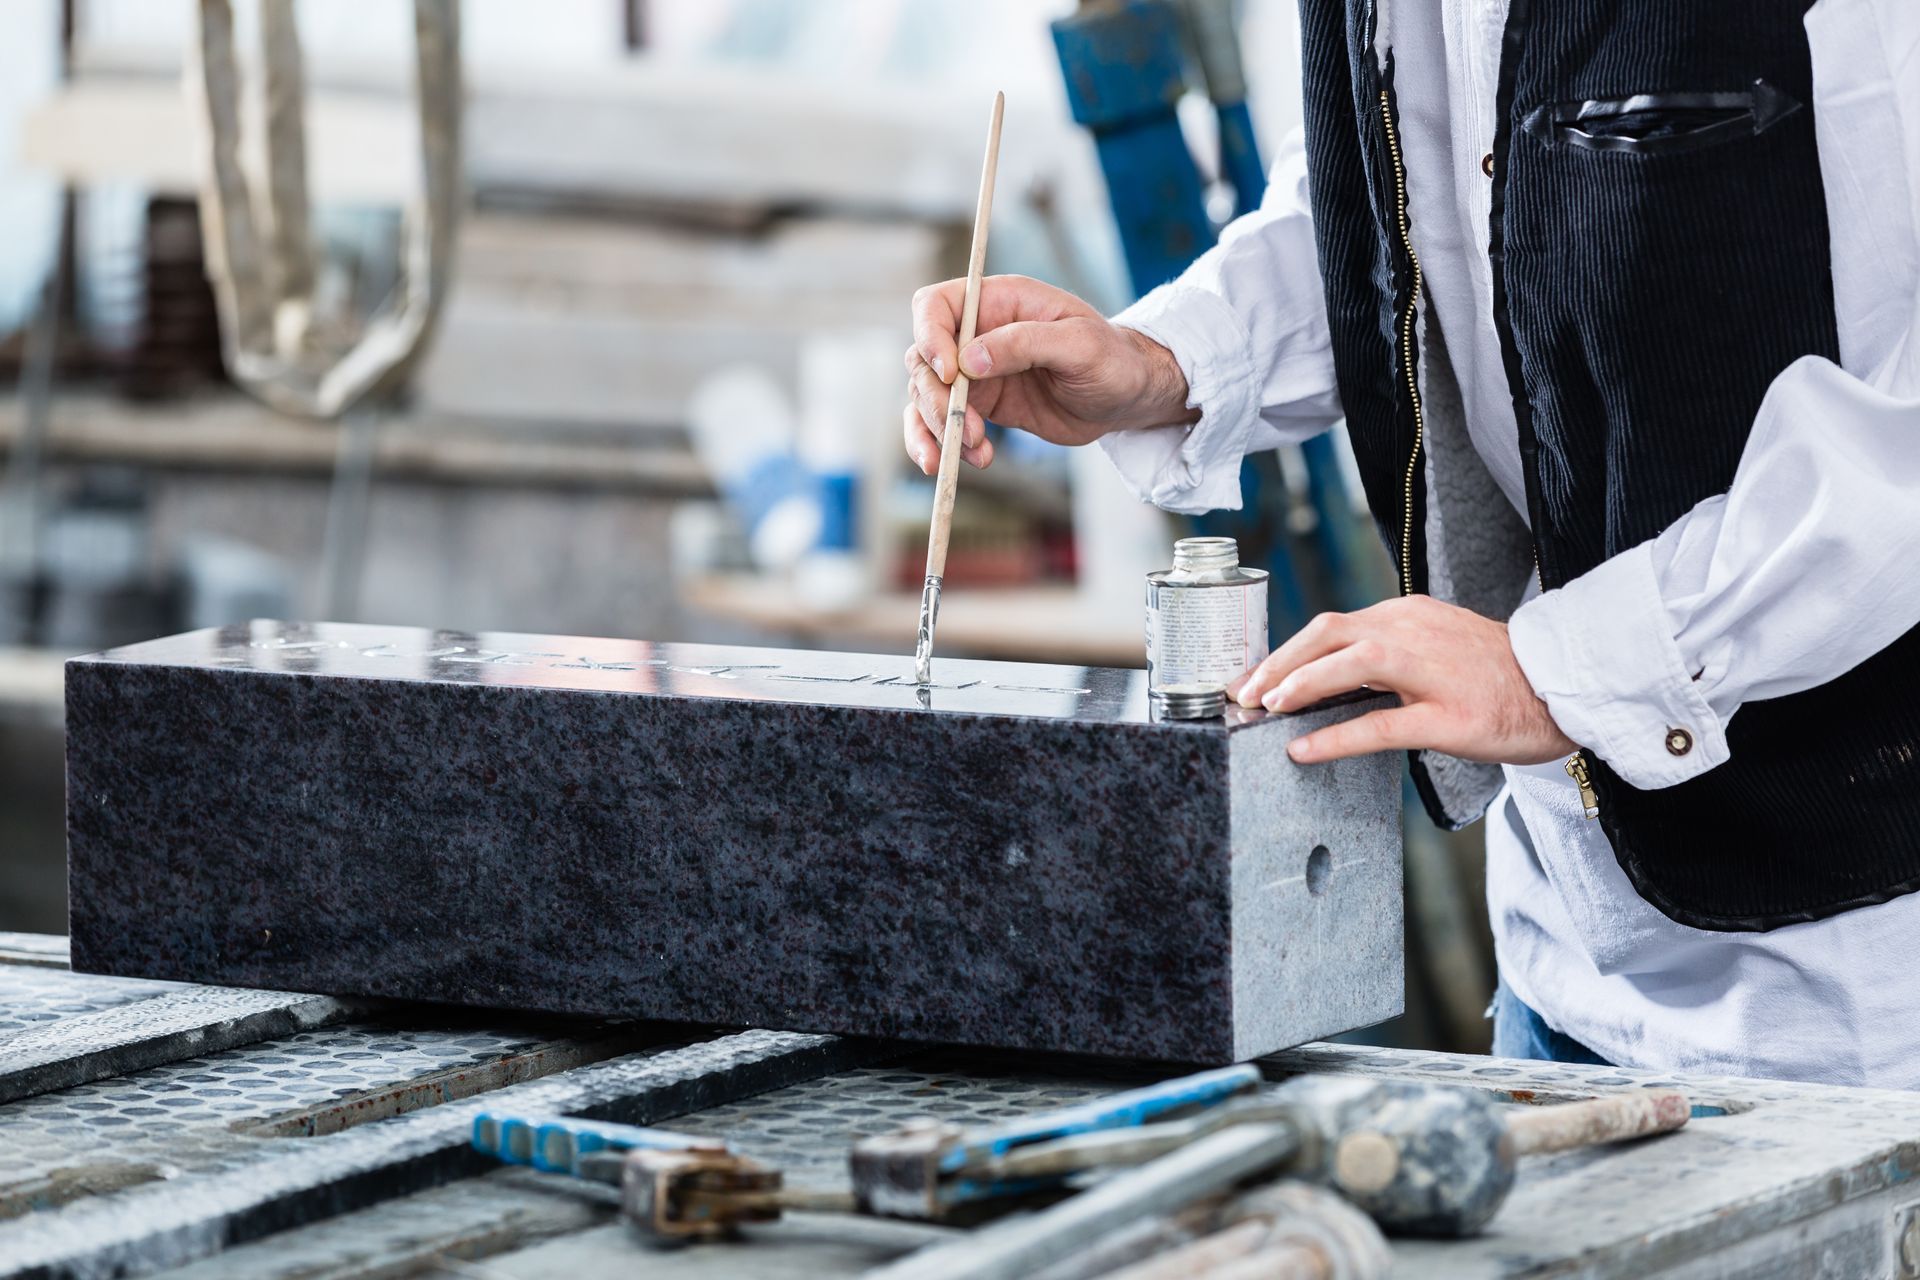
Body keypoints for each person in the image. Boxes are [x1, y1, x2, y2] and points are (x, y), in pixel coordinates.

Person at [903, 0, 1920, 1086]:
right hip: (1560, 958)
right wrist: (1166, 358)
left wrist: (1558, 671)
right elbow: (1402, 196)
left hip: (1858, 1003)